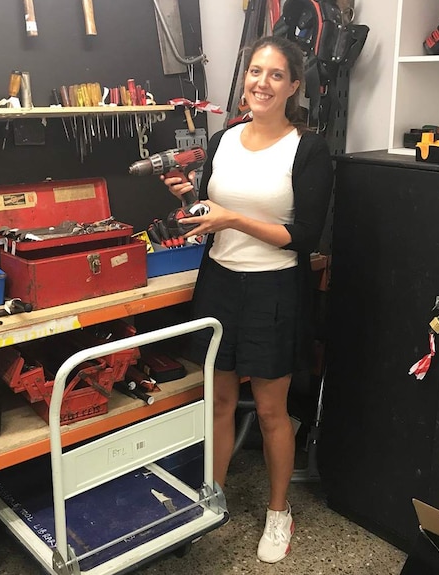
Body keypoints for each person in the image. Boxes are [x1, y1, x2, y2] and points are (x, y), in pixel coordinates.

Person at [162, 35, 333, 563]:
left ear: (294, 86)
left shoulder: (308, 148)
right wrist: (191, 201)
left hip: (275, 289)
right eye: (256, 71)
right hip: (219, 282)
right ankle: (211, 499)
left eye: (276, 75)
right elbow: (216, 205)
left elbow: (304, 236)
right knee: (217, 401)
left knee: (269, 410)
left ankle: (279, 513)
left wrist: (233, 219)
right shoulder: (224, 139)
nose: (261, 82)